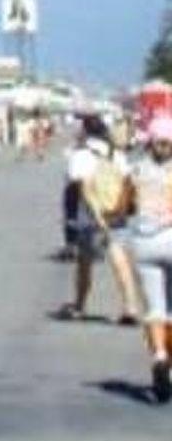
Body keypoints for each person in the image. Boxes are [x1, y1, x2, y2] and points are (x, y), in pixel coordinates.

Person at [57, 114, 142, 324]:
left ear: (85, 131)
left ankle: (80, 305)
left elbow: (82, 187)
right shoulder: (116, 153)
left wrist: (96, 215)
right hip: (116, 211)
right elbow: (128, 182)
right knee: (120, 257)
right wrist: (121, 208)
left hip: (90, 215)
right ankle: (130, 306)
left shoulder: (81, 155)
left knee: (85, 262)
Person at [123, 116, 172, 402]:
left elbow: (124, 206)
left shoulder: (136, 169)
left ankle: (160, 356)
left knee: (154, 308)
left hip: (144, 243)